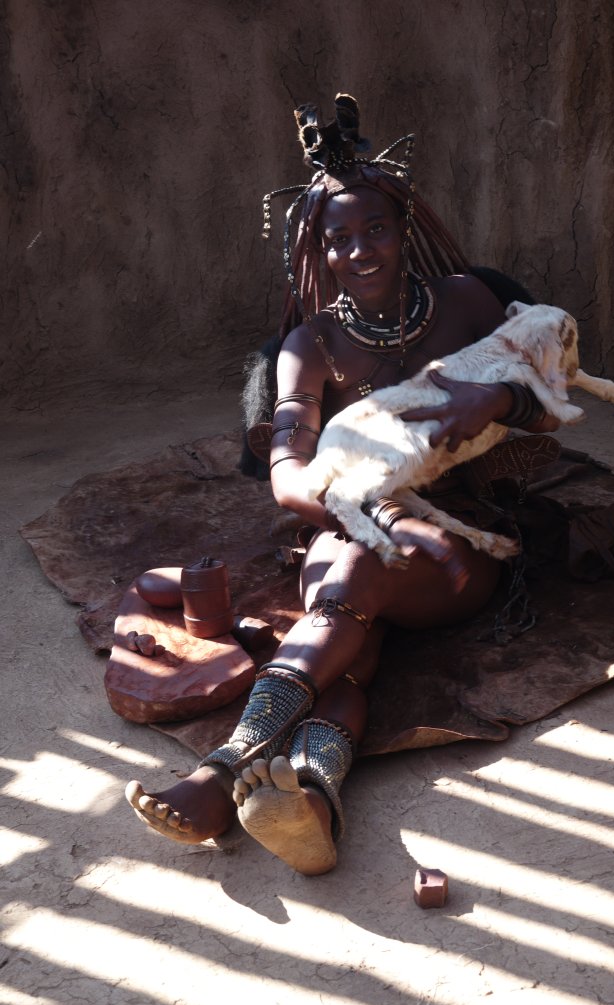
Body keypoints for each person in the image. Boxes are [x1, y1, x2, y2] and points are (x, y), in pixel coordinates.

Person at [125, 93, 560, 875]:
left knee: (352, 589)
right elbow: (288, 474)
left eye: (376, 229)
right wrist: (355, 507)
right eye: (339, 239)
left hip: (458, 540)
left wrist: (495, 400)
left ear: (404, 228)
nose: (360, 250)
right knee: (350, 635)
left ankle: (221, 770)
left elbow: (551, 407)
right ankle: (317, 803)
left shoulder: (469, 301)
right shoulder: (311, 345)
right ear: (318, 253)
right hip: (342, 527)